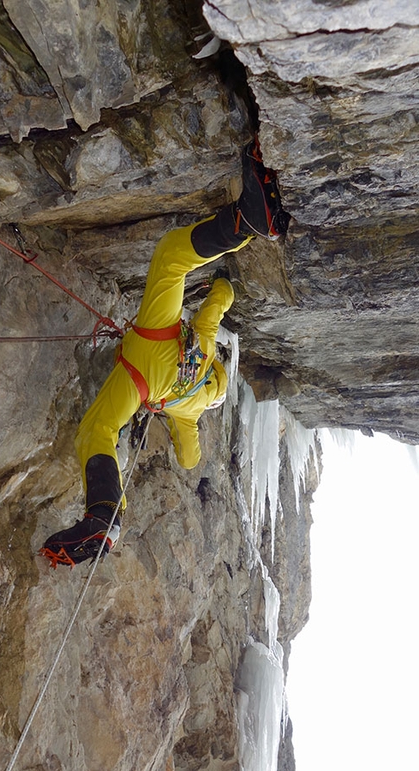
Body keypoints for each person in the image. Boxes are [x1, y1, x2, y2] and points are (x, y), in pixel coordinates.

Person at [40, 138, 290, 568]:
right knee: (96, 431)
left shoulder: (209, 351)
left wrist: (224, 286)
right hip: (148, 379)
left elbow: (214, 309)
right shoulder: (189, 415)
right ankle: (104, 513)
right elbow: (189, 460)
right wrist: (178, 432)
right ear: (212, 398)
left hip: (161, 343)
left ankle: (244, 224)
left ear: (219, 379)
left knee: (172, 256)